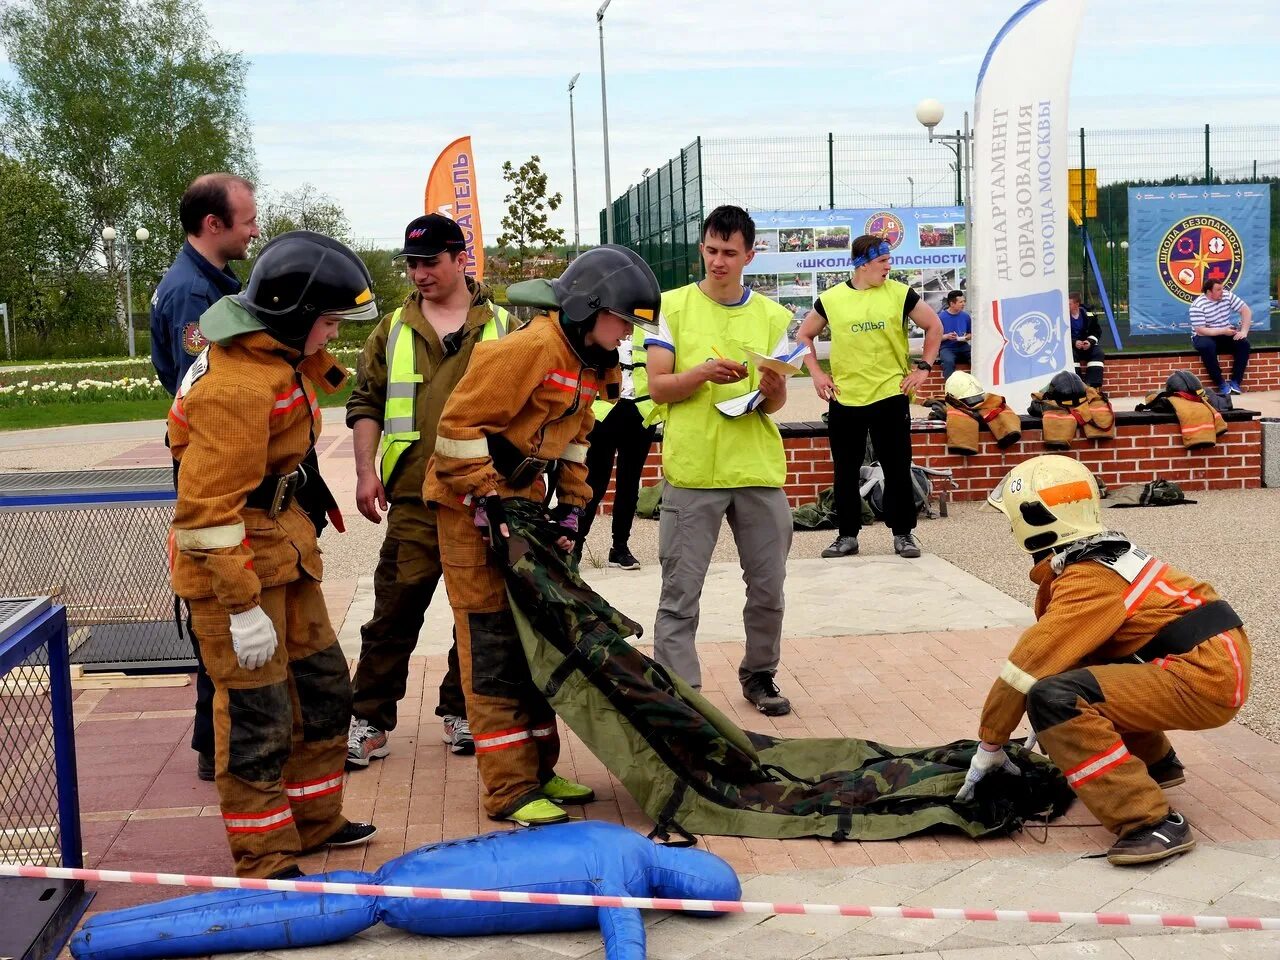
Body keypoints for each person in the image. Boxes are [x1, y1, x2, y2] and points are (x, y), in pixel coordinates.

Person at [424, 245, 659, 827]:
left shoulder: (588, 359)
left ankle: (538, 767)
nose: (626, 333)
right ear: (588, 306)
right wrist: (485, 497)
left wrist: (575, 505)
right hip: (468, 507)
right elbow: (456, 428)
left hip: (522, 504)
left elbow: (577, 435)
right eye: (622, 320)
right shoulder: (529, 348)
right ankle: (507, 789)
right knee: (492, 640)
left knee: (535, 635)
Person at [167, 231, 377, 878]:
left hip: (283, 548)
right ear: (292, 316)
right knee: (259, 718)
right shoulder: (236, 387)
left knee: (321, 693)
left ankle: (315, 822)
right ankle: (264, 855)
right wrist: (241, 609)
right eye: (329, 319)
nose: (335, 331)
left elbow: (313, 383)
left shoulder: (275, 355)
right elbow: (204, 515)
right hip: (236, 568)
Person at [961, 455, 1250, 865]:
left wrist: (990, 746)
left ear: (1032, 518)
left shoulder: (1087, 578)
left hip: (1205, 676)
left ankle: (1151, 822)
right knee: (1075, 669)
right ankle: (1154, 764)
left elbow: (1025, 667)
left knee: (1053, 698)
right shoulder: (1102, 555)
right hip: (1211, 661)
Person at [344, 214, 513, 767]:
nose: (418, 273)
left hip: (479, 500)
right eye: (411, 263)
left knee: (479, 614)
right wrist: (367, 472)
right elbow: (366, 403)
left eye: (429, 262)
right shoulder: (391, 328)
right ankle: (368, 718)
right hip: (414, 498)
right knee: (394, 612)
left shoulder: (505, 327)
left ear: (459, 258)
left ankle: (461, 710)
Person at [646, 205, 794, 716]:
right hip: (693, 472)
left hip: (756, 469)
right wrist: (703, 373)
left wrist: (772, 390)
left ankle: (760, 676)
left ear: (750, 255)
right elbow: (658, 386)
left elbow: (774, 405)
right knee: (680, 591)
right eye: (711, 250)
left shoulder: (775, 317)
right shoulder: (672, 307)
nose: (718, 261)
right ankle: (682, 697)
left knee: (769, 589)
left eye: (730, 253)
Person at [149, 172, 260, 782]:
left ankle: (219, 739)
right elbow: (208, 391)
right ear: (212, 225)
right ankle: (216, 744)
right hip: (208, 463)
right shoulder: (197, 297)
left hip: (203, 457)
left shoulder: (205, 283)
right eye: (246, 220)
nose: (255, 228)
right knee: (217, 597)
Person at [797, 234, 943, 560]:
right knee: (845, 471)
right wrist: (817, 375)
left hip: (890, 394)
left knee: (897, 467)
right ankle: (847, 536)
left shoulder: (901, 294)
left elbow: (934, 327)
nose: (888, 267)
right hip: (845, 399)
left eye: (889, 260)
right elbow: (803, 335)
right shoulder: (832, 299)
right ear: (863, 264)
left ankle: (903, 534)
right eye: (883, 261)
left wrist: (924, 368)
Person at [578, 331, 658, 570]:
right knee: (594, 481)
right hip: (605, 410)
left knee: (630, 482)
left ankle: (620, 548)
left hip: (641, 411)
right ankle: (577, 546)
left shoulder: (649, 329)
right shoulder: (605, 325)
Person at [1190, 278, 1252, 395]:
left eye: (1222, 288)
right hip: (1203, 335)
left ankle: (1235, 382)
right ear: (1209, 292)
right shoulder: (1197, 305)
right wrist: (1223, 330)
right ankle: (1221, 383)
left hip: (1224, 332)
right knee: (1207, 346)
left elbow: (1246, 310)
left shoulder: (1227, 296)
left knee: (1243, 344)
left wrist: (1244, 331)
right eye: (1218, 290)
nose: (1222, 292)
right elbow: (1201, 331)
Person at [1068, 292, 1106, 388]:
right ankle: (1077, 386)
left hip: (1086, 346)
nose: (1066, 305)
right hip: (1071, 347)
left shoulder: (1089, 315)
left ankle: (1092, 386)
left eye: (1069, 303)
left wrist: (1089, 342)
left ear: (1077, 304)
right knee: (1071, 355)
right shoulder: (1062, 316)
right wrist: (1074, 342)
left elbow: (1097, 331)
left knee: (1098, 353)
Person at [937, 290, 972, 379]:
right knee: (948, 362)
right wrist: (947, 336)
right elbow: (934, 338)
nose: (963, 304)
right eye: (960, 302)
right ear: (952, 303)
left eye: (964, 301)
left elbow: (970, 333)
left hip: (963, 346)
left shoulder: (966, 316)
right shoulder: (940, 317)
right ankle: (950, 389)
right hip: (947, 348)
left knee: (977, 359)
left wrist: (967, 337)